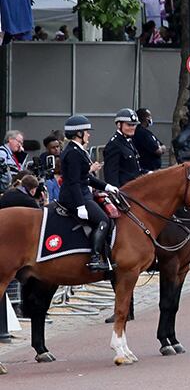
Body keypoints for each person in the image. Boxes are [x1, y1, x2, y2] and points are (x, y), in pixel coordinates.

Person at [56, 116, 114, 273]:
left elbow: (85, 177)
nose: (89, 134)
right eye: (87, 132)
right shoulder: (73, 153)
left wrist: (107, 186)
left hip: (81, 194)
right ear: (79, 133)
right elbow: (74, 182)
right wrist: (81, 205)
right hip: (75, 197)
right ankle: (95, 258)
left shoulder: (77, 151)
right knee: (103, 220)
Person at [102, 110, 147, 188]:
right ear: (119, 125)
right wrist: (117, 195)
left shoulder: (128, 141)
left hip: (135, 189)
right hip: (125, 192)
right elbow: (111, 175)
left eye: (134, 125)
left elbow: (133, 169)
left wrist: (149, 173)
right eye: (129, 125)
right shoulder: (114, 144)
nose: (132, 128)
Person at [133, 109, 165, 173]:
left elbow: (163, 146)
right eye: (149, 116)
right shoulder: (142, 133)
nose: (151, 118)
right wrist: (159, 147)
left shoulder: (148, 133)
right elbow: (157, 151)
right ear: (145, 118)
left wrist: (160, 147)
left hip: (154, 169)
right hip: (148, 169)